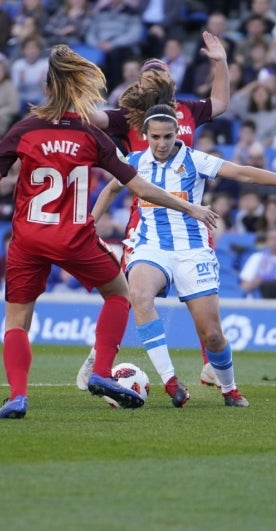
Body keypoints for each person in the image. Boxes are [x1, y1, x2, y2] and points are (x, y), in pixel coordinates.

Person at [0, 45, 219, 419]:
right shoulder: (89, 135)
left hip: (29, 238)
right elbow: (141, 187)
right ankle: (100, 372)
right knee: (119, 294)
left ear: (48, 90)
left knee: (17, 322)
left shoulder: (25, 129)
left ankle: (18, 396)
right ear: (78, 90)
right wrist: (189, 205)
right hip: (74, 237)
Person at [92, 104, 276, 408]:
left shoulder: (194, 160)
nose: (161, 143)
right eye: (155, 137)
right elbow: (110, 190)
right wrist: (88, 225)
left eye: (167, 136)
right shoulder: (134, 162)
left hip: (192, 251)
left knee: (212, 335)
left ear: (177, 134)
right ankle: (171, 383)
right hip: (150, 246)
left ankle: (229, 388)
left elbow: (243, 174)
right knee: (140, 295)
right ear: (144, 135)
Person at [78, 31, 231, 391]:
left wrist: (221, 62)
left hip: (190, 216)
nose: (153, 81)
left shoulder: (188, 111)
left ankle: (212, 365)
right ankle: (99, 358)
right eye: (147, 76)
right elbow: (94, 119)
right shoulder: (129, 116)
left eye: (159, 75)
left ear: (169, 80)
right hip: (146, 217)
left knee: (200, 294)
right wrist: (72, 96)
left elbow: (221, 102)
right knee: (127, 293)